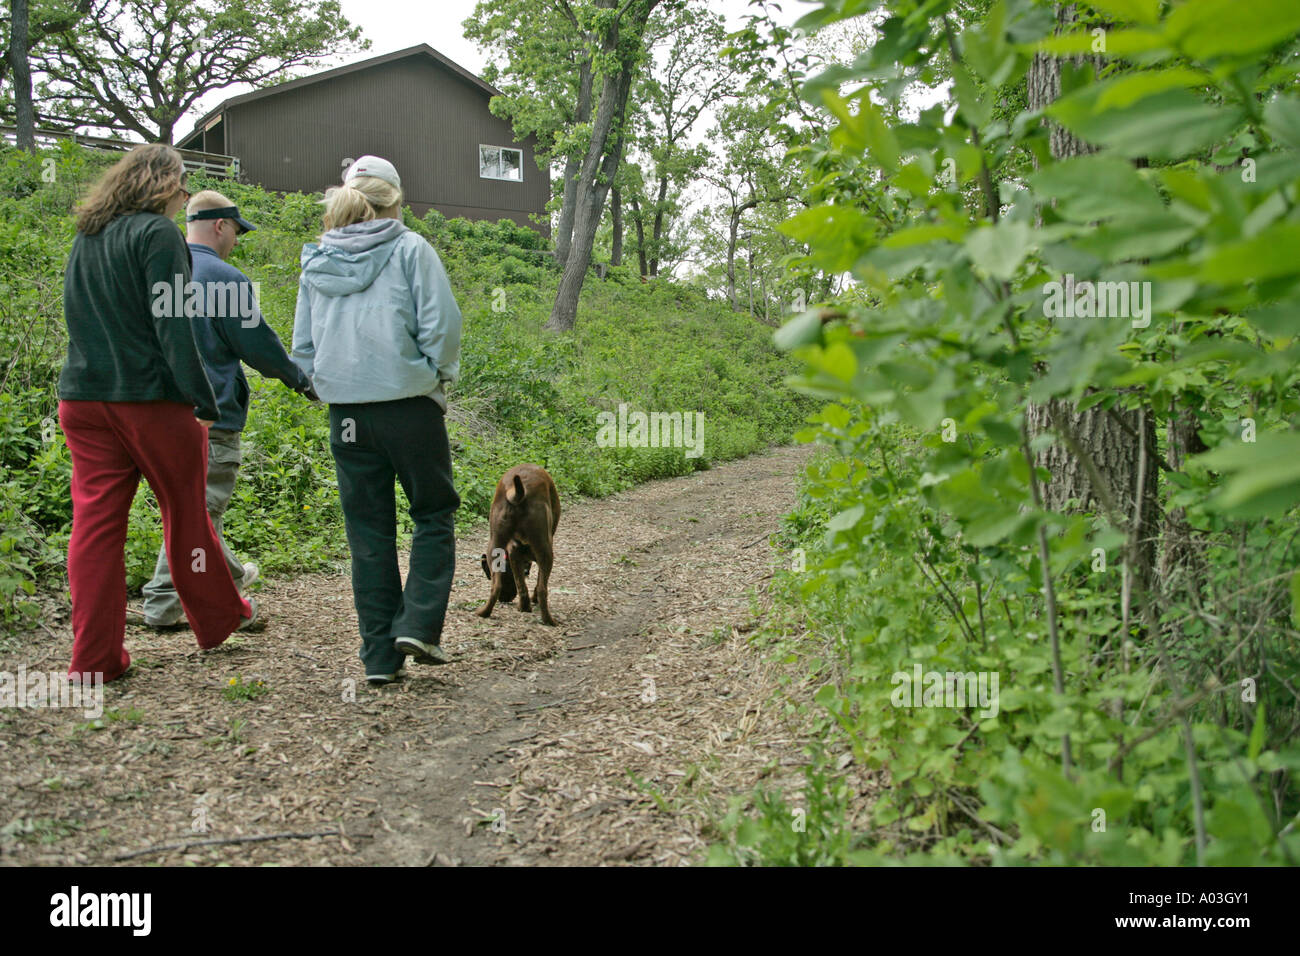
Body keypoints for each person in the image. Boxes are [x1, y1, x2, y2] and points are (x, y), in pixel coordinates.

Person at [58, 144, 259, 683]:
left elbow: (76, 316)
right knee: (186, 512)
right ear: (164, 183)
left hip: (81, 399)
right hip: (148, 401)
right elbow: (174, 327)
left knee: (95, 528)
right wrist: (203, 402)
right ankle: (219, 617)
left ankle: (93, 660)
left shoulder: (88, 234)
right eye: (182, 185)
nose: (184, 196)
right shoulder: (157, 234)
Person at [292, 156, 462, 686]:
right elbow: (440, 324)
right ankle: (416, 624)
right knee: (433, 511)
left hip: (346, 415)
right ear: (396, 201)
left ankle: (379, 659)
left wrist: (331, 386)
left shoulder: (316, 259)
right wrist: (436, 375)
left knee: (368, 531)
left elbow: (303, 346)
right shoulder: (411, 248)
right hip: (409, 405)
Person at [132, 190, 319, 628]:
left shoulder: (153, 273)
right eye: (235, 231)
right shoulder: (223, 279)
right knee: (203, 509)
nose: (235, 240)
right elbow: (258, 347)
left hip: (154, 413)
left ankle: (231, 574)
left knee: (187, 507)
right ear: (220, 225)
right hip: (211, 415)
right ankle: (165, 601)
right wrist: (301, 380)